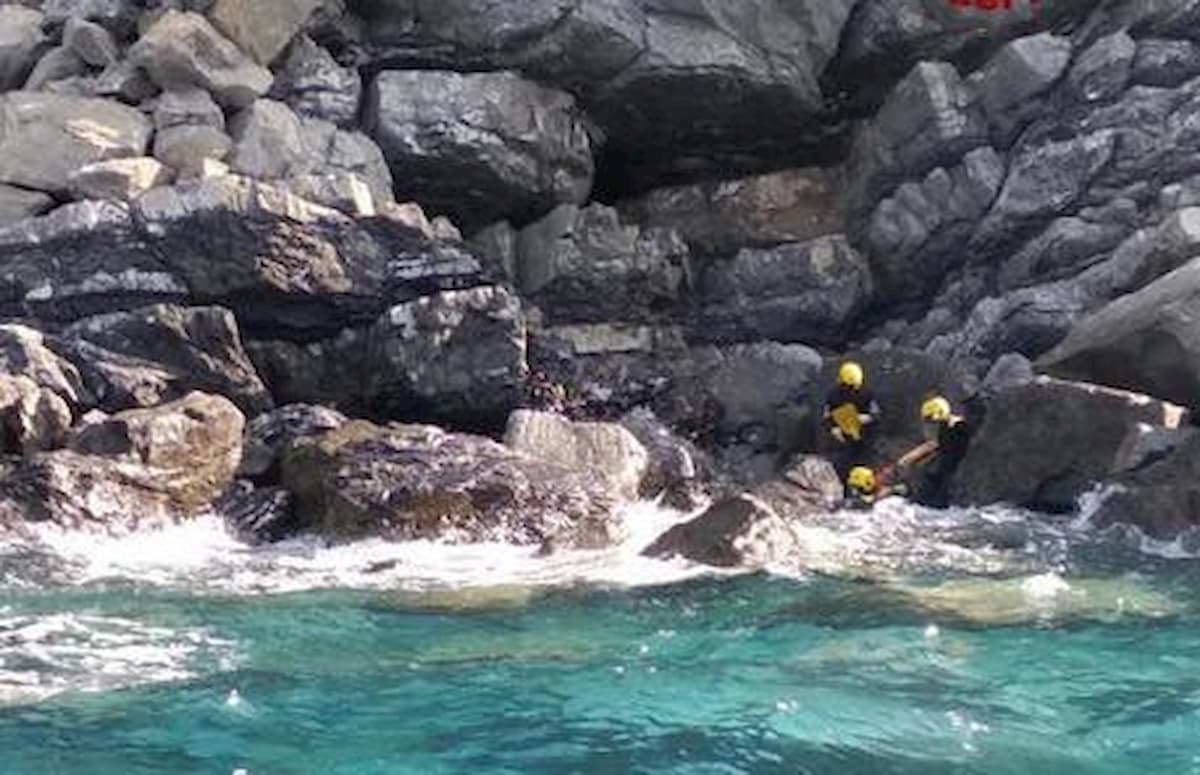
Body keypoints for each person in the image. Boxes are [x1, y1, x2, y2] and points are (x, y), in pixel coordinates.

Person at [896, 395, 974, 508]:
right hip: (943, 465)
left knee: (939, 495)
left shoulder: (959, 426)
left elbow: (937, 444)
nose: (931, 424)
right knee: (927, 483)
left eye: (932, 420)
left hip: (956, 468)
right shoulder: (943, 426)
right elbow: (934, 444)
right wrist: (909, 458)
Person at [822, 361, 881, 478]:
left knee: (864, 465)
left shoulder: (867, 394)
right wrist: (833, 428)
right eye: (849, 386)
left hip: (864, 436)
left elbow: (877, 414)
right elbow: (827, 415)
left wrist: (868, 417)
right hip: (843, 438)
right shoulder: (834, 395)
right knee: (842, 467)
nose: (852, 389)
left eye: (854, 386)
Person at [843, 465, 907, 510]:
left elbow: (872, 500)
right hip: (850, 496)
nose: (884, 480)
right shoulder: (865, 475)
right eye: (885, 476)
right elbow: (852, 490)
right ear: (878, 472)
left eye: (889, 479)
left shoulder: (881, 488)